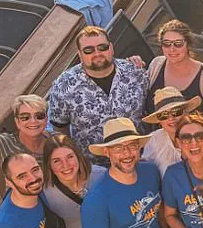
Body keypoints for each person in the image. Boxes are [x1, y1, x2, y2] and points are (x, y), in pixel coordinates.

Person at [48, 26, 148, 164]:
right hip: (94, 166)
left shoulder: (136, 73)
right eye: (88, 50)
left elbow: (149, 111)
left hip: (138, 158)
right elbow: (60, 128)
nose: (97, 53)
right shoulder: (63, 85)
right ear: (80, 54)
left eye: (102, 47)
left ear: (111, 48)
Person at [81, 118, 163, 228]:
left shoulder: (151, 171)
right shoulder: (96, 199)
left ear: (139, 147)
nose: (127, 153)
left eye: (132, 145)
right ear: (106, 152)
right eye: (118, 148)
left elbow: (159, 211)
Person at [142, 87, 203, 176]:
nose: (171, 118)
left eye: (176, 111)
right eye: (164, 115)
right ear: (159, 121)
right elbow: (147, 173)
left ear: (186, 111)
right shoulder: (153, 141)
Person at [146, 19, 203, 121]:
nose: (172, 49)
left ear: (188, 44)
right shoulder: (156, 65)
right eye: (166, 43)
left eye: (178, 43)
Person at [0, 154, 66, 228]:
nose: (33, 179)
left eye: (35, 170)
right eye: (22, 176)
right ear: (9, 183)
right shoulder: (5, 226)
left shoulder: (35, 191)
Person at [42, 134, 107, 228]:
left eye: (70, 157)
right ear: (49, 165)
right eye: (57, 161)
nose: (65, 165)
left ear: (78, 156)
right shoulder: (45, 195)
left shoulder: (101, 176)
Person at [0, 94, 50, 166]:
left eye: (39, 116)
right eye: (25, 117)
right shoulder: (3, 142)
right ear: (17, 122)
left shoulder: (57, 141)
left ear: (46, 119)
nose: (33, 121)